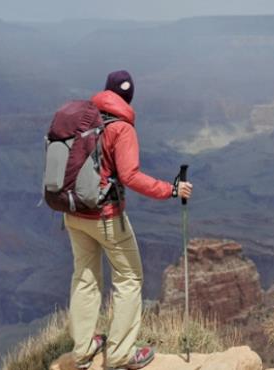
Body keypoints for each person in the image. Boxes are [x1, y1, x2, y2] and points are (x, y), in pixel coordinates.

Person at [64, 70, 193, 370]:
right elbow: (130, 176)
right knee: (129, 278)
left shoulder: (83, 119)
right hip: (105, 218)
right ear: (129, 97)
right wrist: (171, 190)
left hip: (72, 212)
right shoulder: (121, 128)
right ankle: (121, 355)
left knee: (84, 278)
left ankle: (82, 351)